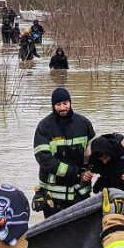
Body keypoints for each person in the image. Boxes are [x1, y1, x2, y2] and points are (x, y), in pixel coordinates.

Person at [33, 87, 95, 217]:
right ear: (53, 106)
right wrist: (76, 174)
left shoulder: (84, 124)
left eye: (65, 103)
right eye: (58, 104)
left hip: (80, 193)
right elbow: (44, 160)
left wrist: (88, 171)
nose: (62, 108)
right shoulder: (44, 127)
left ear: (70, 102)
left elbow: (93, 154)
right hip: (53, 197)